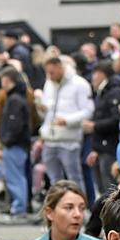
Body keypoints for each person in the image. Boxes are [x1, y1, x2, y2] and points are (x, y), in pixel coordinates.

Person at [36, 56, 91, 191]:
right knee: (54, 181)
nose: (49, 76)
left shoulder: (80, 84)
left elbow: (88, 111)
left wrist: (67, 120)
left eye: (52, 72)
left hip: (69, 140)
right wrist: (42, 109)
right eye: (47, 72)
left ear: (60, 67)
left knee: (74, 179)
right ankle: (57, 210)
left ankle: (80, 209)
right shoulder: (49, 82)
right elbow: (48, 110)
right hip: (50, 139)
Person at [85, 60, 120, 198]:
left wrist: (94, 126)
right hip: (102, 148)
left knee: (110, 190)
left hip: (110, 148)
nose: (92, 78)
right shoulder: (102, 93)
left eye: (95, 74)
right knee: (104, 190)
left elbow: (116, 120)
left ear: (102, 74)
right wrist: (95, 149)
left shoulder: (114, 93)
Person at [0, 67, 33, 224]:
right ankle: (19, 208)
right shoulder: (19, 97)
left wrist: (6, 140)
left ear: (8, 80)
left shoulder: (14, 99)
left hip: (15, 144)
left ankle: (18, 210)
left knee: (15, 178)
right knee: (17, 177)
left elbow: (14, 124)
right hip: (18, 144)